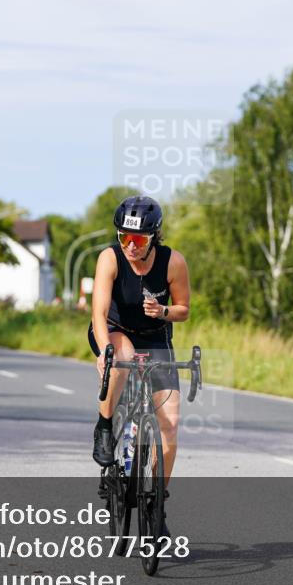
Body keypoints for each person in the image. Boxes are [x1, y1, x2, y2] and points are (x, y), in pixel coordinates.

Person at [90, 194, 190, 534]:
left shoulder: (172, 262)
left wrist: (163, 312)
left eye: (138, 239)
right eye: (124, 238)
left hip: (155, 336)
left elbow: (184, 309)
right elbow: (99, 313)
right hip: (115, 331)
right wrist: (105, 350)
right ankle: (105, 427)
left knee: (171, 423)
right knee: (123, 358)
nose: (130, 245)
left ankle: (157, 504)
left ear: (154, 237)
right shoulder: (110, 258)